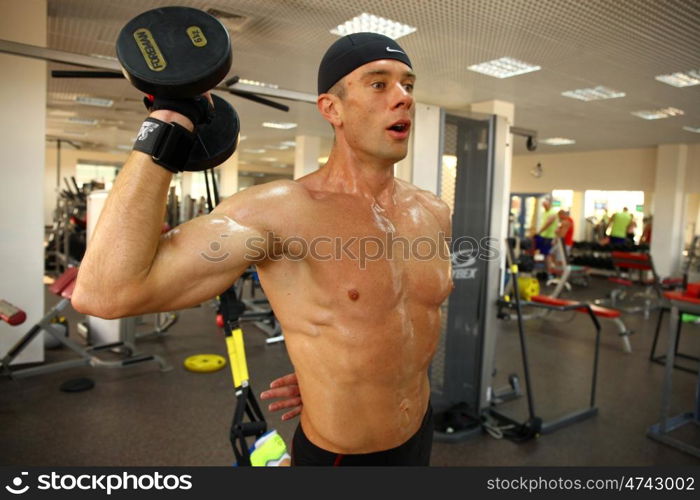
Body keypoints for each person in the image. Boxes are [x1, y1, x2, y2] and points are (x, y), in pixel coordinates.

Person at [73, 32, 452, 466]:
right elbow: (104, 292)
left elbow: (400, 322)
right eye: (379, 83)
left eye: (408, 84)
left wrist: (340, 370)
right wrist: (171, 121)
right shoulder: (284, 211)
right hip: (342, 457)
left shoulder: (433, 211)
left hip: (420, 435)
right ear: (332, 108)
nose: (403, 98)